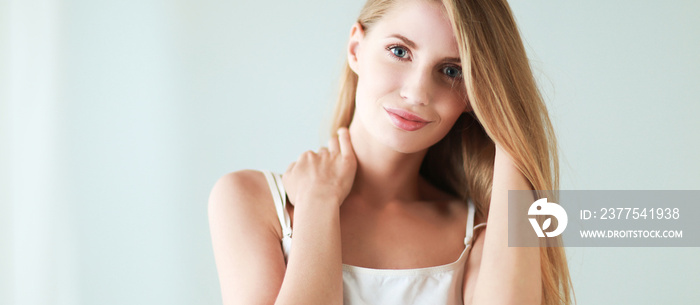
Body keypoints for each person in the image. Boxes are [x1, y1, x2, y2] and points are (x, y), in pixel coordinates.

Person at [208, 0, 574, 304]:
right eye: (399, 51)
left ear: (474, 98)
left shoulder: (477, 231)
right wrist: (317, 205)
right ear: (356, 48)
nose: (417, 93)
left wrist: (511, 125)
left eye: (451, 71)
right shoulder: (250, 200)